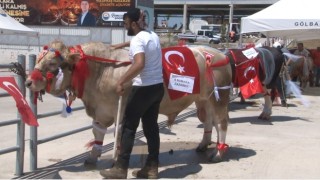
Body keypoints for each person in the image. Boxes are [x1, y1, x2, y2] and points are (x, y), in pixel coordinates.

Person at [99, 8, 164, 179]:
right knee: (151, 127)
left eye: (126, 23)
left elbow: (139, 63)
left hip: (143, 88)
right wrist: (121, 45)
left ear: (134, 24)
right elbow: (141, 45)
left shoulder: (137, 40)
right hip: (157, 88)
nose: (124, 26)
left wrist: (121, 81)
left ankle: (121, 168)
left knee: (128, 127)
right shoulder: (151, 35)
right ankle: (152, 167)